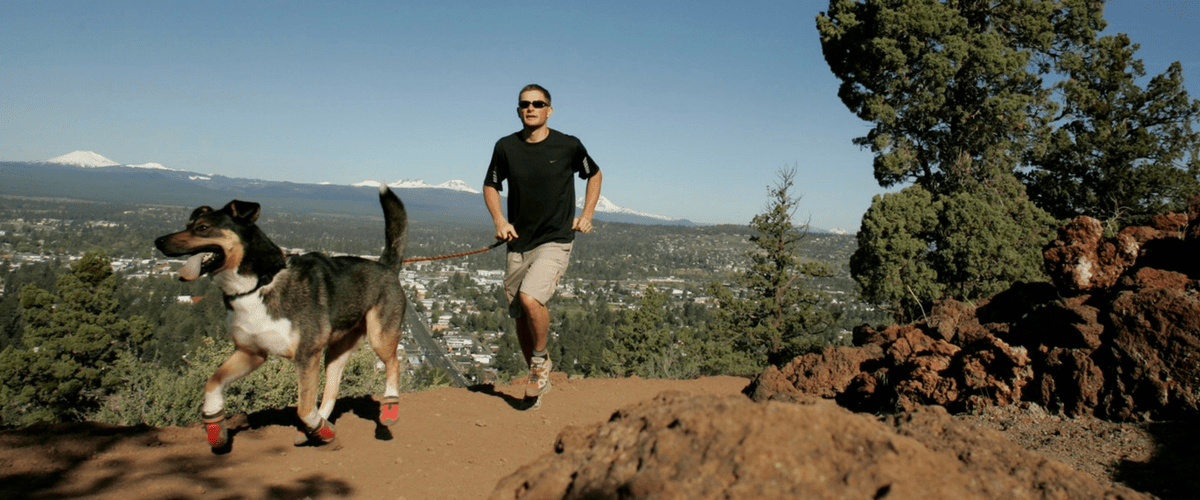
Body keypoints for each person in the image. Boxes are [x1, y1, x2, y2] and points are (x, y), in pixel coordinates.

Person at [483, 84, 603, 402]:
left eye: (538, 103)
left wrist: (587, 214)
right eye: (525, 104)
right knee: (519, 313)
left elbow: (595, 174)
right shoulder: (505, 147)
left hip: (556, 239)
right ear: (519, 110)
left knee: (530, 298)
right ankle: (538, 377)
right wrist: (499, 221)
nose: (531, 108)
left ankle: (539, 361)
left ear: (549, 110)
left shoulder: (568, 145)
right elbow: (491, 185)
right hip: (518, 243)